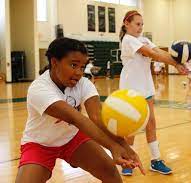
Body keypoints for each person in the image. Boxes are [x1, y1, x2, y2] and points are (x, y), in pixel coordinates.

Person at [16, 37, 144, 183]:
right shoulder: (39, 88)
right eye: (73, 65)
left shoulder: (83, 84)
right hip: (40, 144)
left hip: (72, 139)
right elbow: (77, 119)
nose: (79, 72)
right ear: (54, 62)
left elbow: (97, 117)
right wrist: (112, 146)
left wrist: (125, 147)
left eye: (82, 67)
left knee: (110, 172)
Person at [119, 10, 186, 176]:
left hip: (146, 87)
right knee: (131, 127)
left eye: (142, 24)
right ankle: (128, 160)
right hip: (130, 90)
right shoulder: (128, 40)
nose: (140, 28)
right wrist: (175, 62)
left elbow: (160, 52)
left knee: (151, 124)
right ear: (126, 24)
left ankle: (156, 160)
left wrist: (176, 64)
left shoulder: (143, 39)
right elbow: (151, 54)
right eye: (137, 24)